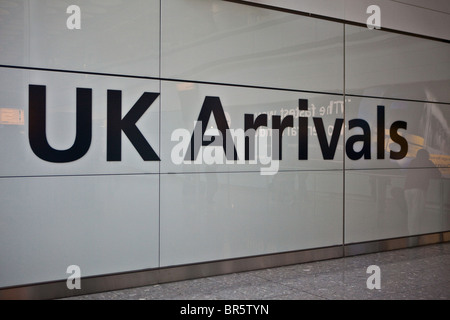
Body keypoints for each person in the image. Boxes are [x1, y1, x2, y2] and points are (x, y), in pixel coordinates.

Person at [404, 149, 441, 234]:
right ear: (426, 156)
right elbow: (438, 174)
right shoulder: (427, 162)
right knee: (416, 212)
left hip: (407, 189)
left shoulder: (413, 162)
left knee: (410, 211)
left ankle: (411, 231)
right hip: (418, 189)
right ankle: (414, 233)